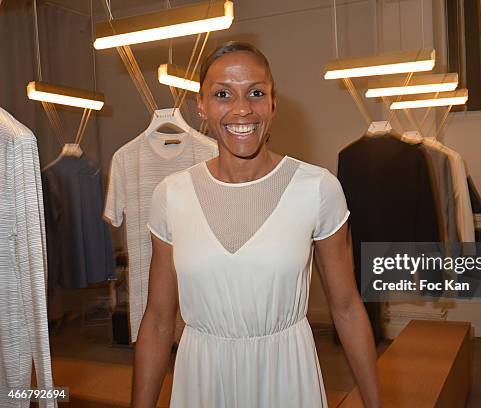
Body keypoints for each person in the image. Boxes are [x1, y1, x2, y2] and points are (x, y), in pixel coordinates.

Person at [131, 42, 381, 407]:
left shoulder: (317, 188)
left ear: (272, 103)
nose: (242, 109)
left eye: (256, 93)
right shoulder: (171, 195)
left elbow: (346, 307)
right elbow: (156, 320)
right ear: (200, 106)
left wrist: (376, 403)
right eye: (222, 94)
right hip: (203, 378)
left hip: (287, 375)